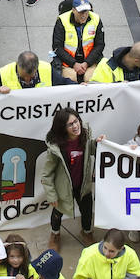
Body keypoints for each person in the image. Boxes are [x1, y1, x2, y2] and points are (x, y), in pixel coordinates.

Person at [39, 106, 96, 250]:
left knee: (87, 211)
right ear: (62, 127)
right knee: (57, 214)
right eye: (70, 124)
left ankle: (87, 232)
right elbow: (46, 174)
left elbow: (93, 150)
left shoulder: (86, 136)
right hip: (63, 189)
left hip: (83, 186)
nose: (75, 126)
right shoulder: (56, 148)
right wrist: (52, 195)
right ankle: (55, 234)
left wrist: (100, 143)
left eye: (76, 121)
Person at [52, 0, 106, 81]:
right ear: (73, 10)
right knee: (70, 81)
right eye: (81, 12)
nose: (84, 15)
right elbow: (57, 47)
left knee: (92, 80)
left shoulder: (96, 19)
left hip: (89, 61)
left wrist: (87, 63)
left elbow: (100, 45)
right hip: (68, 63)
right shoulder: (62, 21)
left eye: (86, 12)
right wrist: (74, 64)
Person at [73, 229, 140, 279]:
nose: (106, 253)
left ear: (121, 249)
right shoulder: (89, 254)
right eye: (105, 247)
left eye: (111, 251)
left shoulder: (130, 254)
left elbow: (134, 273)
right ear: (103, 241)